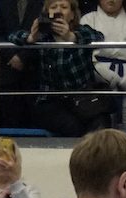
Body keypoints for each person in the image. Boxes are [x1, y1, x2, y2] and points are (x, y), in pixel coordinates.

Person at [11, 0, 109, 137]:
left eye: (64, 7)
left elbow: (98, 37)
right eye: (53, 7)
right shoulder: (44, 36)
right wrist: (31, 37)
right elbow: (13, 36)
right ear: (47, 13)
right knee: (73, 126)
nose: (58, 11)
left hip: (82, 97)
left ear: (72, 14)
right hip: (51, 100)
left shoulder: (81, 31)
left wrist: (71, 37)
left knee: (101, 123)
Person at [82, 0, 126, 130]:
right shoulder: (88, 19)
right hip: (99, 84)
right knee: (102, 130)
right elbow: (82, 52)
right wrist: (102, 72)